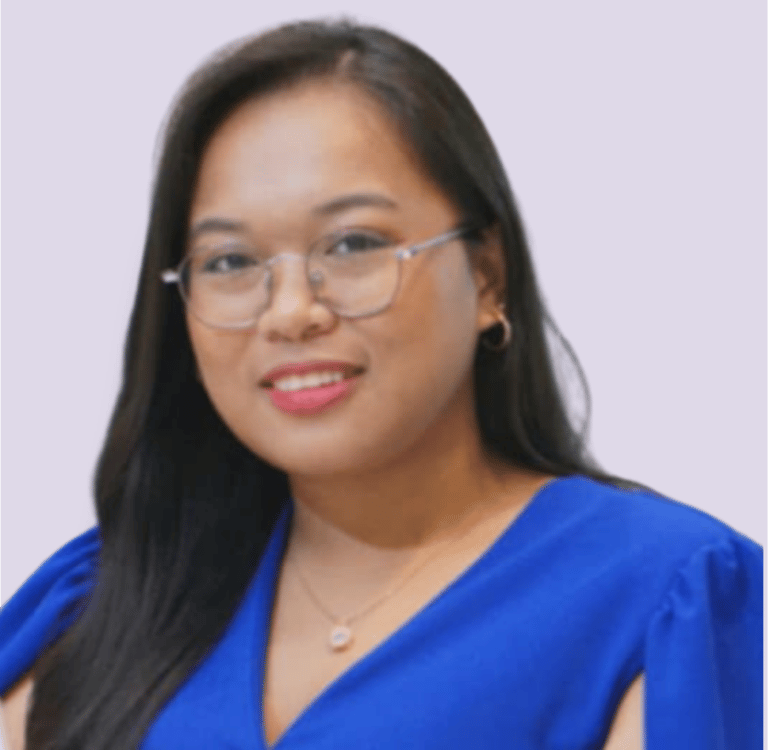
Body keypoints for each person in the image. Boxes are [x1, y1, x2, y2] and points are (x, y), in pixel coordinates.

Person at [0, 18, 761, 750]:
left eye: (353, 244)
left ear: (487, 276)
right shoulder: (101, 600)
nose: (290, 312)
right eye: (230, 261)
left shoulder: (660, 595)